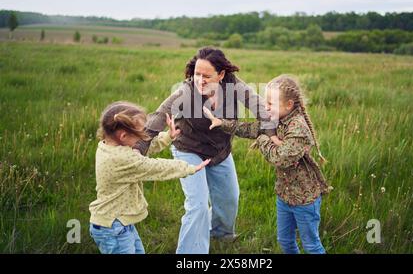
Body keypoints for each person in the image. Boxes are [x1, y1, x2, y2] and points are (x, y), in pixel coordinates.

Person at [134, 47, 277, 254]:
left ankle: (220, 234)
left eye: (207, 76)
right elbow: (159, 114)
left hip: (219, 151)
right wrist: (140, 146)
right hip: (188, 149)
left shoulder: (233, 85)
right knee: (198, 204)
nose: (200, 80)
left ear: (221, 75)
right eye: (197, 74)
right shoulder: (186, 91)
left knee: (229, 199)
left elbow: (259, 106)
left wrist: (272, 132)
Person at [204, 74, 331, 254]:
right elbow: (251, 129)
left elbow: (279, 158)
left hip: (305, 199)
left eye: (271, 103)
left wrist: (264, 138)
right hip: (284, 196)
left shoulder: (298, 129)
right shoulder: (276, 120)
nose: (266, 107)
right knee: (285, 241)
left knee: (311, 245)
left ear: (288, 105)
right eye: (266, 102)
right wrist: (222, 123)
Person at [89, 101, 210, 254]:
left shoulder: (108, 146)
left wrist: (167, 137)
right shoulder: (123, 160)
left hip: (120, 222)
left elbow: (141, 149)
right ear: (123, 136)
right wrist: (189, 168)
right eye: (140, 135)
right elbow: (157, 168)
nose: (144, 138)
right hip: (113, 228)